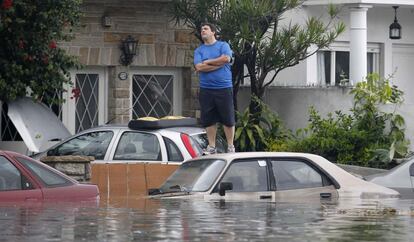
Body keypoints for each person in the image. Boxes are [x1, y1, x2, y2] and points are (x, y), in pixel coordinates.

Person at [193, 23, 235, 154]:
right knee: (209, 119)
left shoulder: (223, 45)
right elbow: (199, 67)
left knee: (227, 119)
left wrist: (207, 62)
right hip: (206, 89)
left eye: (205, 29)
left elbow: (226, 58)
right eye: (201, 30)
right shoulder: (199, 50)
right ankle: (212, 146)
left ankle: (230, 146)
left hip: (224, 87)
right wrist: (218, 64)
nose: (202, 31)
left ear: (213, 32)